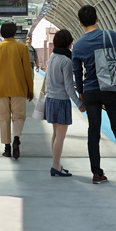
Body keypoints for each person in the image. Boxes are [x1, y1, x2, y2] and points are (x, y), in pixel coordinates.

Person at [70, 5, 116, 184]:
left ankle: (97, 174)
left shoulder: (78, 45)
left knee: (93, 133)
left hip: (91, 90)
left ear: (80, 23)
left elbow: (77, 72)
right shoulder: (110, 35)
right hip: (111, 88)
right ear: (97, 19)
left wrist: (81, 93)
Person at [0, 22, 33, 158]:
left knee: (4, 118)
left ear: (1, 33)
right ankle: (16, 138)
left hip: (1, 89)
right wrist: (30, 88)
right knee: (18, 116)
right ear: (14, 33)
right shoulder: (22, 48)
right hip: (19, 88)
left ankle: (7, 147)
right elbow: (27, 71)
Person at [43, 29, 78, 177]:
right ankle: (56, 166)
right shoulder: (66, 61)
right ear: (69, 43)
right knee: (60, 136)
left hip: (50, 99)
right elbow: (69, 87)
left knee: (55, 133)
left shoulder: (53, 56)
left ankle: (56, 164)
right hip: (61, 101)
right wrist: (80, 104)